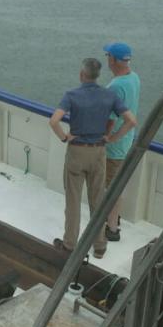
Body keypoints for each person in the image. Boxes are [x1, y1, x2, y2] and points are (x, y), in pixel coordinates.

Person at [49, 58, 137, 258]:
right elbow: (131, 121)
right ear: (98, 76)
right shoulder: (109, 96)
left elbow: (54, 121)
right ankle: (99, 246)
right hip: (99, 152)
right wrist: (112, 138)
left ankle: (70, 244)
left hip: (77, 152)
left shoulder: (72, 95)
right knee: (97, 201)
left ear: (82, 75)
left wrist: (64, 137)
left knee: (73, 201)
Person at [103, 42, 141, 242]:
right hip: (128, 141)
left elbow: (110, 119)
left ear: (114, 60)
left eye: (108, 55)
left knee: (112, 187)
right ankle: (114, 218)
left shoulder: (116, 86)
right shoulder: (134, 78)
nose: (106, 59)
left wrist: (107, 139)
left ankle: (112, 228)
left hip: (115, 148)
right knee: (116, 185)